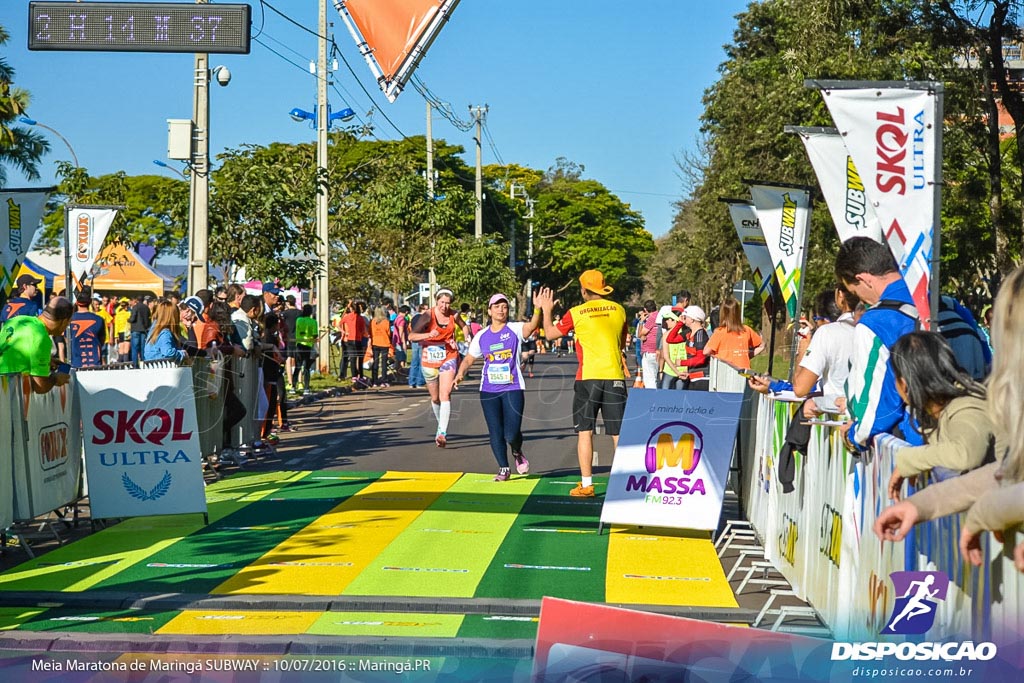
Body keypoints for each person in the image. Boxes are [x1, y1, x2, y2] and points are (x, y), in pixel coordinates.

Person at [873, 264, 1024, 573]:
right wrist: (921, 505)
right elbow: (1007, 473)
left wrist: (988, 512)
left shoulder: (968, 408)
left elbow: (969, 457)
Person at [536, 270, 627, 497]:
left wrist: (546, 310)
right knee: (618, 434)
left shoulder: (576, 312)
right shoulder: (619, 310)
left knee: (585, 431)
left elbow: (549, 334)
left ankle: (587, 485)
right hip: (615, 376)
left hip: (587, 378)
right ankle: (623, 485)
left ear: (584, 290)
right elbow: (621, 342)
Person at [885, 332, 1002, 500]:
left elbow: (965, 454)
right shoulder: (942, 410)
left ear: (904, 384)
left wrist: (910, 460)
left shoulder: (967, 406)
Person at [835, 236, 919, 452]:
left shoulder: (873, 324)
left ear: (863, 279)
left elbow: (875, 413)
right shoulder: (949, 306)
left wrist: (853, 437)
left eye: (855, 293)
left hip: (911, 451)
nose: (861, 301)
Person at [455, 293, 540, 480]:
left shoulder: (514, 329)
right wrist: (460, 373)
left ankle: (516, 450)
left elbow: (532, 326)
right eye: (497, 306)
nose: (501, 310)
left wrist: (538, 309)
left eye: (504, 307)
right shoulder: (482, 336)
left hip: (512, 388)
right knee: (495, 431)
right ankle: (503, 468)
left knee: (511, 433)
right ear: (489, 311)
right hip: (488, 390)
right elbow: (469, 358)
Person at [408, 288, 471, 447]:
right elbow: (412, 336)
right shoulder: (428, 315)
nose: (444, 306)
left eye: (448, 303)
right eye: (442, 302)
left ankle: (442, 432)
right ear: (437, 301)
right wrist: (428, 335)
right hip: (429, 359)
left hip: (449, 356)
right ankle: (440, 426)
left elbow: (464, 326)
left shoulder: (454, 314)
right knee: (435, 398)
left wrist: (466, 338)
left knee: (445, 393)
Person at [0, 296, 73, 394]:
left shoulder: (16, 320)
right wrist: (55, 379)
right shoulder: (41, 337)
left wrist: (46, 359)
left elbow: (9, 350)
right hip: (12, 394)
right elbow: (40, 387)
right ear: (64, 321)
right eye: (68, 323)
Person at [705, 297, 764, 371]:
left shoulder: (719, 332)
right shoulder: (746, 330)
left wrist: (718, 358)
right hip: (744, 371)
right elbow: (761, 346)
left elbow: (706, 351)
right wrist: (745, 356)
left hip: (725, 371)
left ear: (722, 313)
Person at [671, 305, 710, 390]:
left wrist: (682, 363)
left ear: (692, 319)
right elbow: (671, 339)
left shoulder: (700, 335)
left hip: (701, 378)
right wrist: (680, 323)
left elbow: (700, 359)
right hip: (692, 376)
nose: (683, 318)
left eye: (686, 317)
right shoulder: (689, 333)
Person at [68, 287, 107, 368]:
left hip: (76, 364)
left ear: (76, 302)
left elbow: (67, 341)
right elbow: (102, 341)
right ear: (90, 302)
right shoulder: (99, 320)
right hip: (95, 365)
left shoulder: (68, 321)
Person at [339, 301, 368, 384]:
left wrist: (344, 332)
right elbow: (363, 330)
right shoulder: (360, 318)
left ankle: (354, 376)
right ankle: (360, 376)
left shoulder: (347, 316)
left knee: (352, 358)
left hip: (349, 339)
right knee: (360, 358)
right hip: (358, 339)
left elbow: (339, 323)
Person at [293, 304, 318, 394]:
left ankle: (293, 387)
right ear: (311, 312)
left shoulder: (298, 320)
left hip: (299, 345)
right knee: (307, 367)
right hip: (308, 346)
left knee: (297, 366)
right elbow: (315, 335)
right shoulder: (313, 322)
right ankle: (306, 388)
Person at [638, 300, 660, 389]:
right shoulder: (660, 316)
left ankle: (652, 399)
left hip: (650, 352)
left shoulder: (652, 318)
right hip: (659, 351)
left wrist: (641, 322)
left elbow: (640, 334)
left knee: (649, 379)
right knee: (657, 377)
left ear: (645, 310)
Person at [369, 306, 393, 388]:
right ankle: (383, 380)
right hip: (384, 343)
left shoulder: (372, 321)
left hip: (375, 342)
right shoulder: (386, 321)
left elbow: (370, 332)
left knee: (375, 362)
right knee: (384, 363)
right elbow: (389, 333)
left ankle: (374, 381)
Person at [128, 293, 152, 365]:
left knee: (135, 348)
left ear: (136, 300)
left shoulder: (135, 307)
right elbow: (148, 319)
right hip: (143, 330)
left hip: (135, 329)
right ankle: (143, 363)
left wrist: (128, 320)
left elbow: (133, 318)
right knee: (142, 347)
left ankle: (135, 364)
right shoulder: (146, 307)